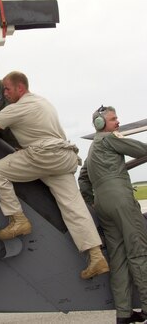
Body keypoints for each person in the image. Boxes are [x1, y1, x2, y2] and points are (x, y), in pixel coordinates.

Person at [0, 71, 109, 280]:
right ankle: (96, 256)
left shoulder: (20, 107)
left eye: (7, 89)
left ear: (20, 88)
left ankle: (17, 220)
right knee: (73, 207)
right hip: (64, 158)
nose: (4, 93)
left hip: (44, 155)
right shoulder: (43, 102)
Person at [78, 105, 147, 324]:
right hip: (120, 200)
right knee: (138, 251)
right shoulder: (109, 139)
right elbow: (141, 150)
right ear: (100, 124)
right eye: (113, 119)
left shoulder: (92, 150)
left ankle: (124, 314)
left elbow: (83, 179)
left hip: (103, 206)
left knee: (118, 260)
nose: (118, 122)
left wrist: (91, 202)